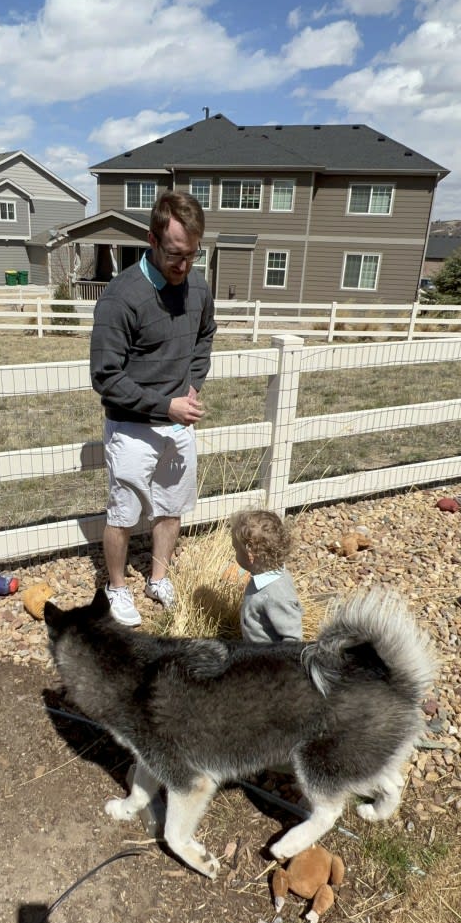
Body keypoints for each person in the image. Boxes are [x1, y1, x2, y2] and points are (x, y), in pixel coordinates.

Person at [90, 191, 216, 625]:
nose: (183, 265)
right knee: (123, 513)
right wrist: (166, 406)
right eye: (175, 254)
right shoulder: (121, 297)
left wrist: (193, 386)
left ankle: (158, 578)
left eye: (192, 255)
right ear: (152, 239)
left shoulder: (198, 286)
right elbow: (106, 378)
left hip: (178, 422)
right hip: (133, 427)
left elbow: (204, 336)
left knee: (171, 506)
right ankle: (117, 587)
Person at [230, 509, 304, 644]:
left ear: (250, 554)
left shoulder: (276, 595)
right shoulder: (264, 576)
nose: (234, 554)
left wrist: (279, 663)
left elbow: (293, 639)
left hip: (268, 661)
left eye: (236, 549)